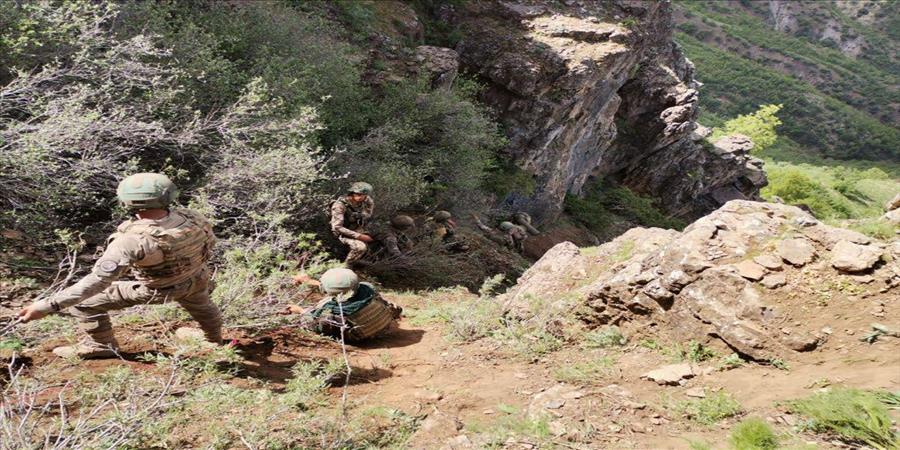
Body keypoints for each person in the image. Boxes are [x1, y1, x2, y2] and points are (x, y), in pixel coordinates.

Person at [17, 173, 223, 359]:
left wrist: (47, 306)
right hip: (198, 277)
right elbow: (209, 243)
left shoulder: (132, 240)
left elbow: (98, 281)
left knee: (85, 303)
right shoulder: (192, 217)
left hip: (161, 289)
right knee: (201, 303)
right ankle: (213, 339)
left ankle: (100, 345)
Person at [294, 268, 401, 342]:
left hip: (361, 337)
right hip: (382, 324)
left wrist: (300, 311)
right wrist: (310, 281)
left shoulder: (334, 311)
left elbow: (312, 321)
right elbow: (343, 290)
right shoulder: (367, 289)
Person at [330, 182, 375, 265]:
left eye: (362, 195)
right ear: (352, 192)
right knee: (360, 247)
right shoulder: (339, 205)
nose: (359, 196)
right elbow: (337, 227)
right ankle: (347, 265)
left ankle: (359, 259)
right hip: (342, 232)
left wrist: (362, 215)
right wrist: (359, 236)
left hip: (356, 227)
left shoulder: (366, 200)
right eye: (357, 194)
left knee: (378, 236)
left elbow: (369, 213)